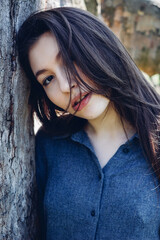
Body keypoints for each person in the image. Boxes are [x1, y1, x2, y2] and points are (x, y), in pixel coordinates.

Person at [17, 7, 160, 240]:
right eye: (48, 79)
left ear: (99, 47)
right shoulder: (48, 145)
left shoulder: (156, 142)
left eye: (70, 59)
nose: (65, 86)